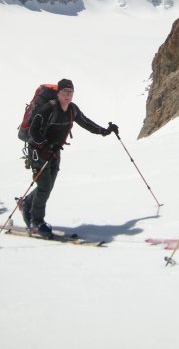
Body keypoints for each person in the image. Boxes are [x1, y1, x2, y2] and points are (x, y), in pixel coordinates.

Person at [20, 78, 118, 238]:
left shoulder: (72, 109)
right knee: (44, 187)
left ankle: (27, 204)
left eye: (70, 92)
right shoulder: (47, 109)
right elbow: (33, 131)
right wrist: (45, 144)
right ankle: (36, 222)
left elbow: (86, 123)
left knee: (47, 186)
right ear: (58, 93)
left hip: (54, 152)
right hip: (39, 152)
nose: (67, 95)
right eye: (64, 92)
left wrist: (104, 131)